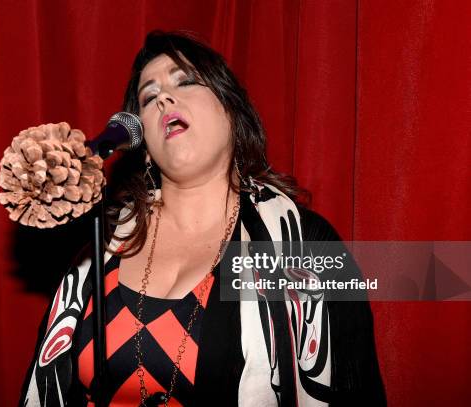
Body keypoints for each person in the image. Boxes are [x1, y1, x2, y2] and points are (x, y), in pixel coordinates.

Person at [20, 31, 385, 407]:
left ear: (231, 111)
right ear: (142, 147)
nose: (163, 97)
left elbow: (357, 393)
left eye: (186, 81)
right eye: (149, 96)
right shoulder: (96, 253)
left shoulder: (306, 243)